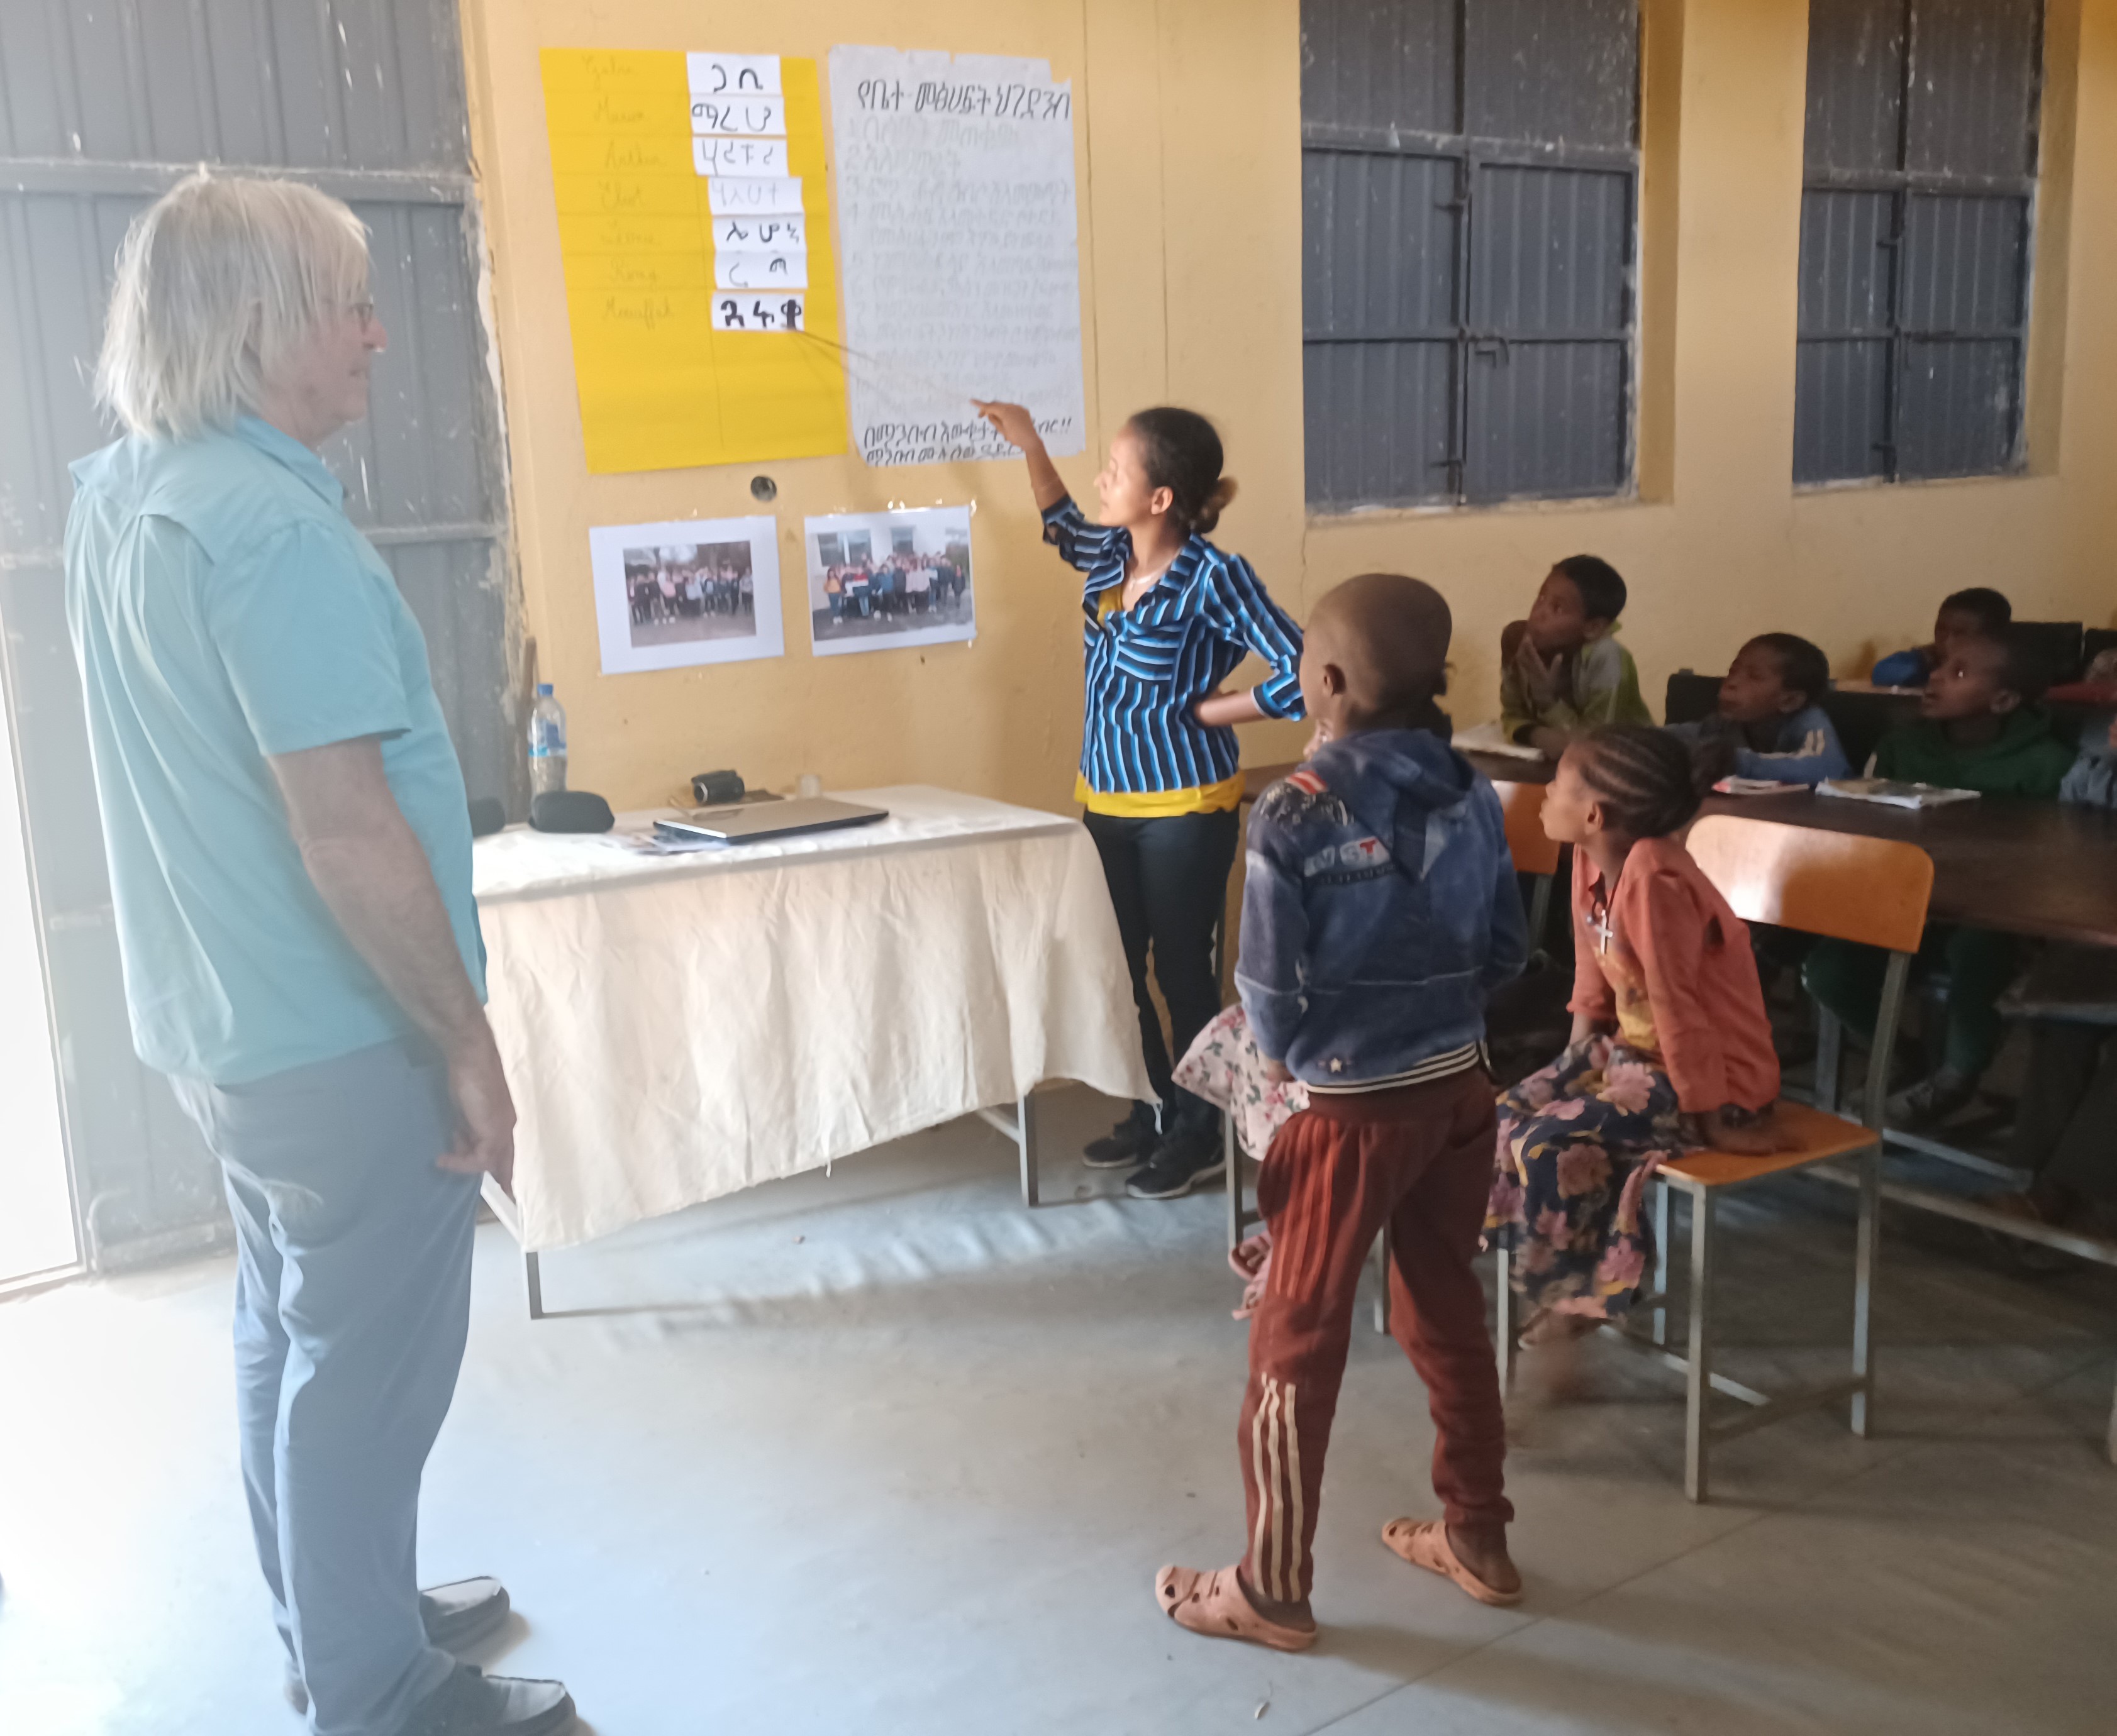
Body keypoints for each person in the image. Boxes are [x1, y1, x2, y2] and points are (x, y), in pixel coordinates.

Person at [65, 174, 574, 1736]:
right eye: (346, 306)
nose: (373, 334)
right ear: (256, 329)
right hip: (336, 1031)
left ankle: (338, 1610)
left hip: (224, 1022)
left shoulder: (124, 486)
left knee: (285, 1322)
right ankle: (373, 1691)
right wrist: (467, 1046)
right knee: (364, 1366)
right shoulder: (268, 531)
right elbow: (347, 828)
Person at [1153, 573, 1528, 1652]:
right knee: (1442, 1307)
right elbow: (1507, 949)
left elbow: (1267, 994)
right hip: (1459, 1092)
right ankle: (1480, 1537)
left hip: (1350, 1111)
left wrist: (1294, 1064)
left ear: (1321, 681)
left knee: (1293, 1341)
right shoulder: (1470, 790)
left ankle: (1271, 1587)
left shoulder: (1293, 810)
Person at [977, 397, 1304, 1199]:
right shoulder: (1107, 554)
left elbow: (1302, 673)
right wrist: (1030, 442)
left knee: (1182, 974)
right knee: (1118, 967)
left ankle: (1201, 1130)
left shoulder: (1215, 578)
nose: (1102, 478)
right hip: (1107, 801)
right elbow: (1059, 521)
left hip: (1184, 806)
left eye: (1117, 471)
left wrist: (1211, 708)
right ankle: (1155, 1107)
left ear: (1161, 498)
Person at [1487, 727, 1791, 1342]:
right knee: (1504, 1113)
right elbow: (1591, 978)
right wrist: (1572, 1066)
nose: (1545, 793)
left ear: (1595, 814)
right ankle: (1560, 1274)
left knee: (1548, 1140)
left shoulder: (1656, 883)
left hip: (1711, 1077)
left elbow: (1681, 1012)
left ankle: (1586, 1295)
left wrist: (1712, 1120)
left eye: (1558, 786)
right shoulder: (1588, 858)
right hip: (1635, 1054)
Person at [1803, 629, 2075, 1127]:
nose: (1936, 678)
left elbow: (2060, 850)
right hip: (1906, 900)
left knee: (1977, 949)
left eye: (1960, 673)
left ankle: (1957, 1075)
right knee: (1828, 967)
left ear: (2004, 699)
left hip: (1995, 914)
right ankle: (1901, 1053)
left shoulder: (2046, 761)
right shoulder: (1902, 745)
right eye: (1941, 666)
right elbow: (1867, 813)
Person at [1499, 555, 1653, 756]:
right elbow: (1512, 716)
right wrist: (1540, 737)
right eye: (1541, 598)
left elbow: (1595, 744)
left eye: (1557, 608)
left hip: (1631, 764)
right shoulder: (1518, 641)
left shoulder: (1608, 657)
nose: (1539, 613)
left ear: (1593, 627)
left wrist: (1548, 702)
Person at [1665, 633, 1848, 787]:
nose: (1732, 683)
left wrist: (1735, 761)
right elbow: (1683, 736)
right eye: (1733, 671)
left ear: (1790, 701)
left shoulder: (1809, 721)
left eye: (1755, 677)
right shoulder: (1727, 722)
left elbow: (1826, 769)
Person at [1871, 586, 2012, 689]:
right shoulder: (1927, 660)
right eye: (1941, 629)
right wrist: (1927, 666)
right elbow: (1882, 673)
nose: (1947, 641)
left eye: (1960, 634)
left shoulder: (2003, 673)